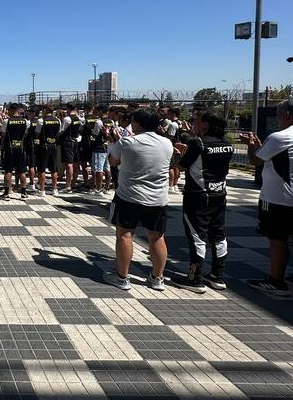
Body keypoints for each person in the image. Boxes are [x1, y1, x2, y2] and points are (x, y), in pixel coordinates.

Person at [105, 108, 173, 292]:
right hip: (157, 198)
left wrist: (115, 141)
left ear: (139, 124)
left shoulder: (127, 142)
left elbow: (113, 161)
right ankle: (157, 278)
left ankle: (122, 277)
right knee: (157, 237)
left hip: (129, 196)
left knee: (125, 235)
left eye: (133, 121)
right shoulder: (167, 143)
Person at [170, 112, 233, 293]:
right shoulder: (226, 144)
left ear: (205, 125)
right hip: (219, 194)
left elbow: (182, 166)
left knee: (197, 237)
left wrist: (178, 153)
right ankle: (217, 276)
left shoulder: (197, 143)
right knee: (218, 235)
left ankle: (195, 279)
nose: (193, 125)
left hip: (197, 196)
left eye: (196, 122)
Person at [243, 99, 293, 298]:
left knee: (277, 238)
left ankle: (276, 281)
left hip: (279, 197)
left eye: (278, 113)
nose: (276, 117)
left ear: (286, 115)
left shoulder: (280, 137)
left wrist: (251, 146)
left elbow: (256, 160)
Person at [0, 103, 29, 200]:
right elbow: (26, 134)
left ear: (12, 110)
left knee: (8, 171)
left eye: (9, 110)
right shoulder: (25, 121)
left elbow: (3, 136)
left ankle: (6, 193)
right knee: (22, 171)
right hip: (21, 149)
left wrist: (2, 149)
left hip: (10, 149)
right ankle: (24, 193)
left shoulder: (6, 121)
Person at [35, 104, 61, 197]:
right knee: (54, 169)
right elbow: (59, 132)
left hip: (44, 146)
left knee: (42, 169)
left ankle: (42, 190)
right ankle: (54, 189)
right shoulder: (58, 120)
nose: (42, 111)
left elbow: (37, 134)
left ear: (46, 110)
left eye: (42, 109)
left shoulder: (41, 121)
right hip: (54, 146)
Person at [59, 103, 82, 193]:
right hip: (76, 142)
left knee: (69, 164)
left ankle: (68, 186)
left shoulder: (67, 119)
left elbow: (61, 131)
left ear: (68, 109)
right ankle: (73, 184)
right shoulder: (78, 118)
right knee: (76, 164)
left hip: (68, 142)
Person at [90, 105, 110, 195]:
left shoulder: (99, 122)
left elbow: (94, 135)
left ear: (101, 111)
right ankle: (107, 187)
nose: (96, 112)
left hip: (99, 147)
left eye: (97, 111)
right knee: (107, 168)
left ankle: (98, 189)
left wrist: (90, 137)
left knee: (99, 169)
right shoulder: (111, 121)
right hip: (108, 147)